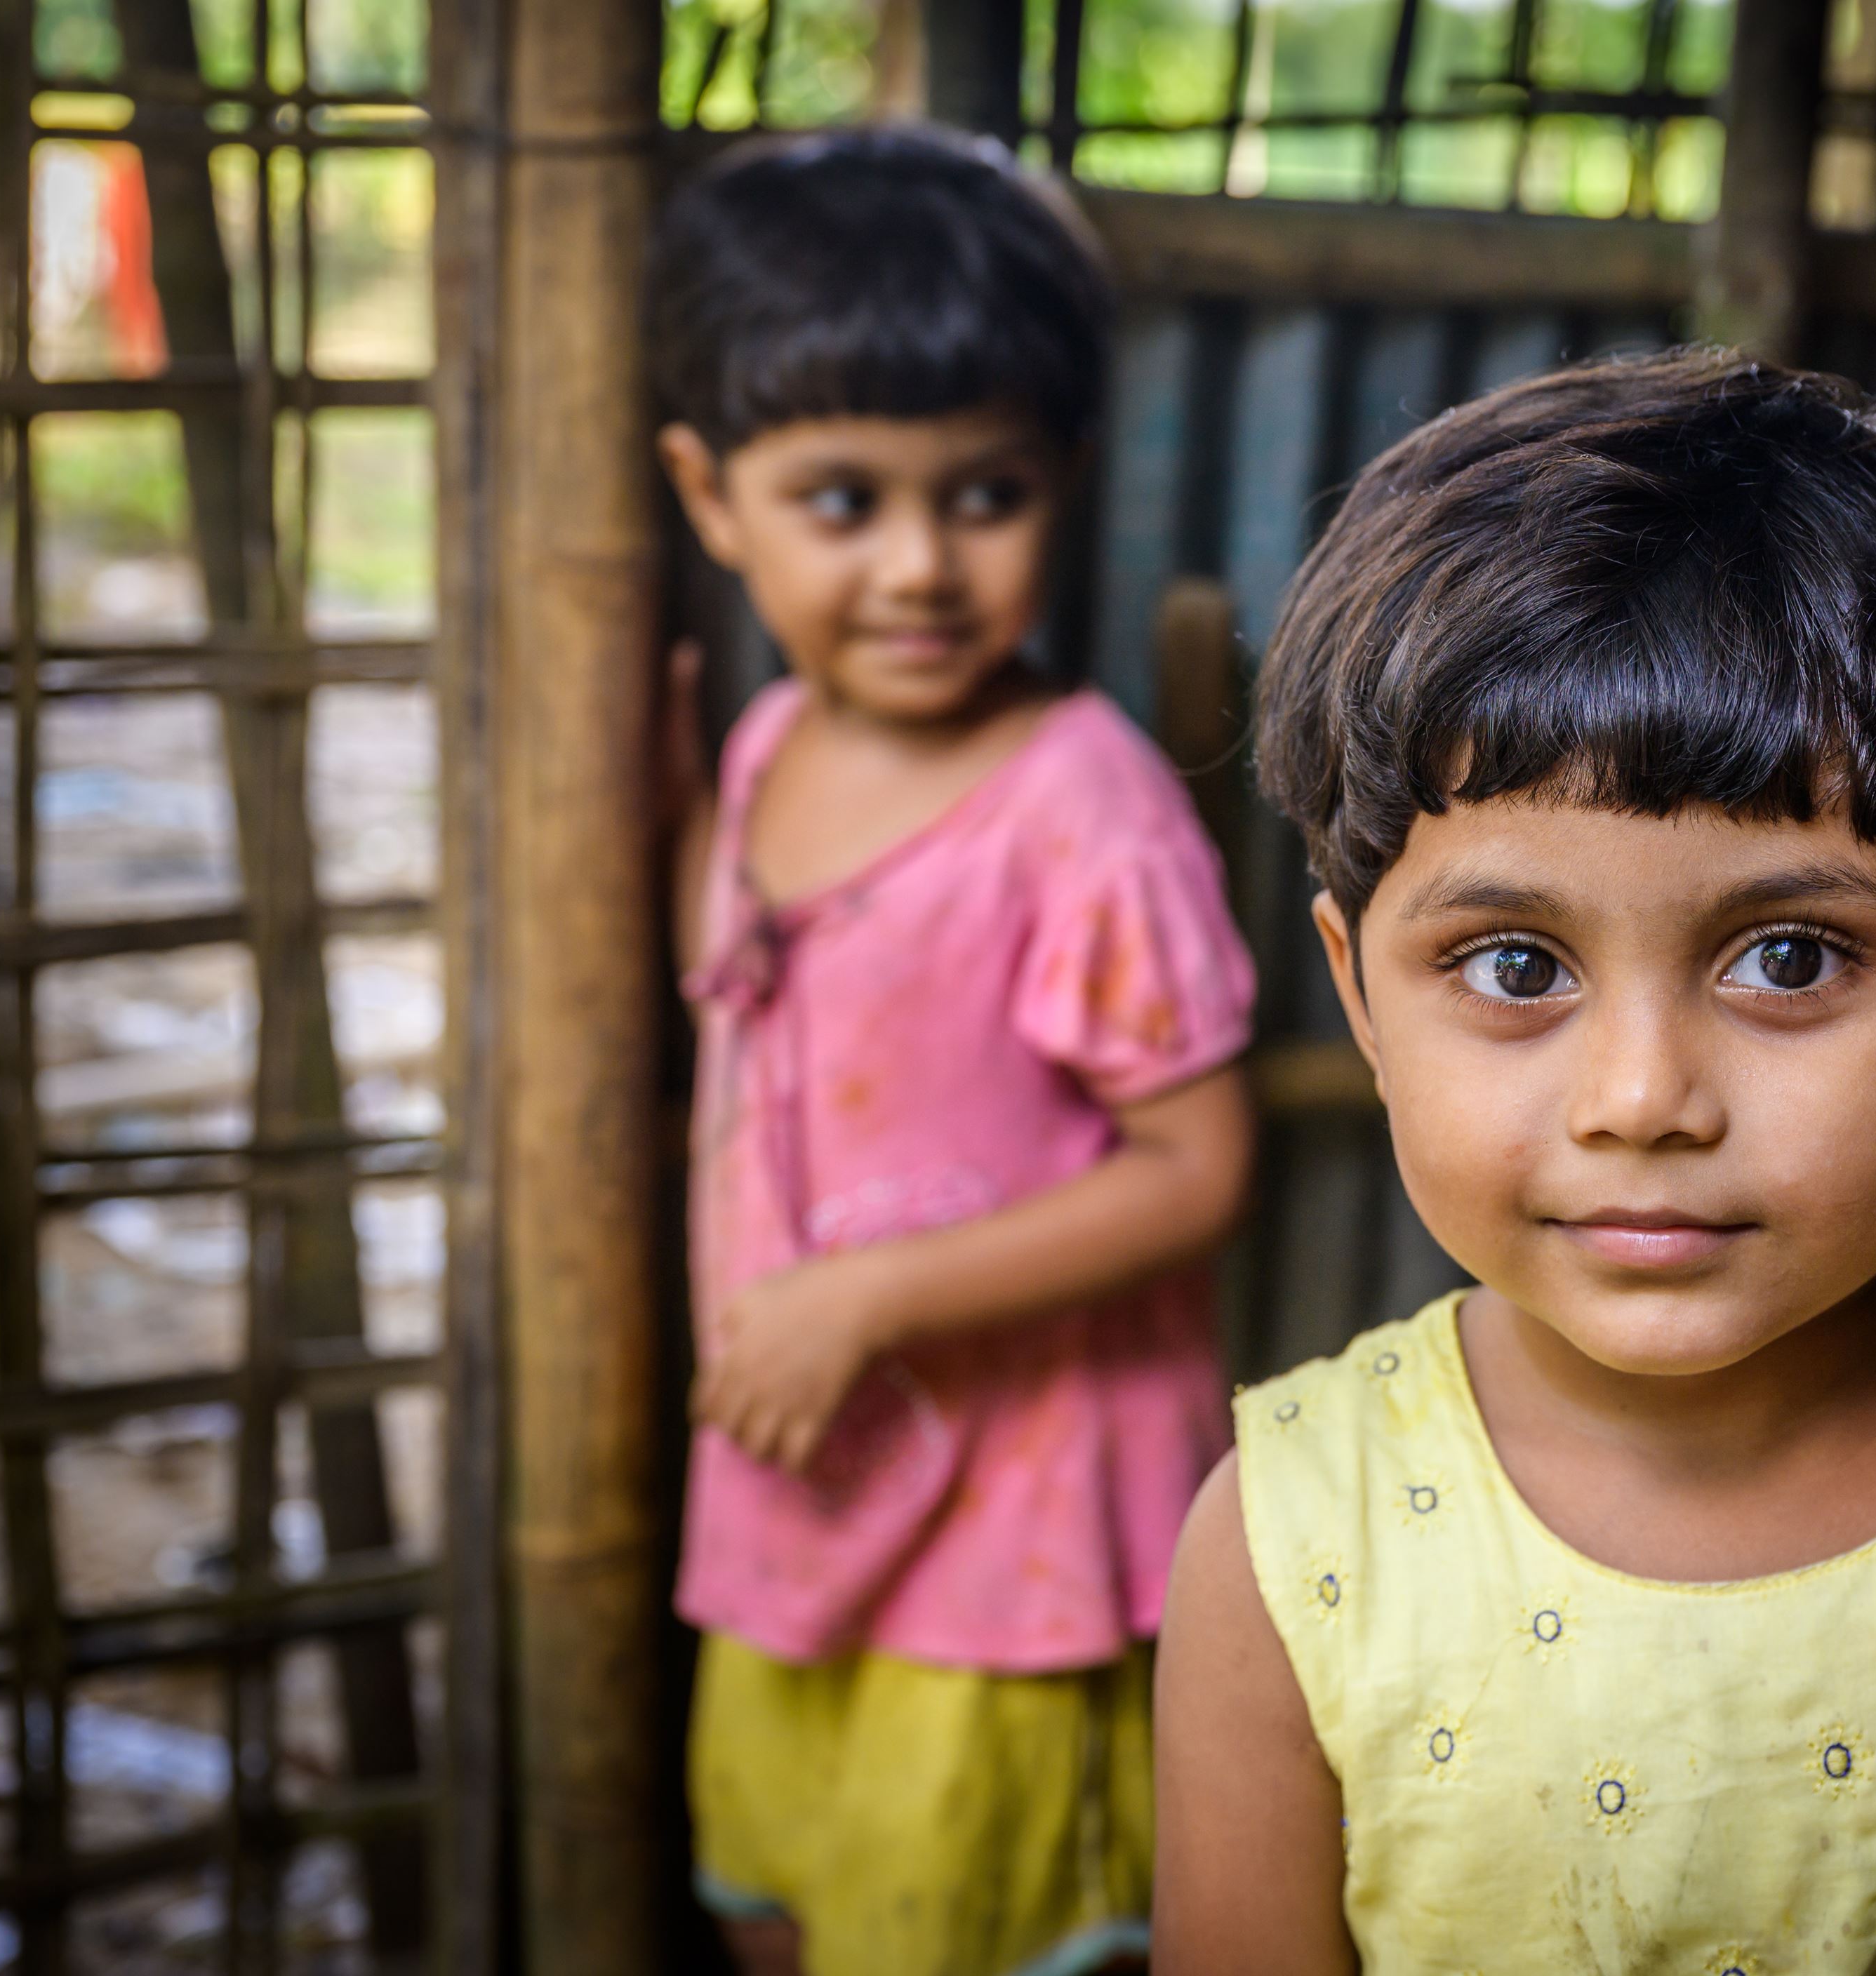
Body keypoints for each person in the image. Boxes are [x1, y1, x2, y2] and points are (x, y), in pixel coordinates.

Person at [1153, 350, 1876, 1973]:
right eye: (1517, 967)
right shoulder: (1294, 1546)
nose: (1642, 1098)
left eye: (1792, 960)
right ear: (1358, 997)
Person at [647, 127, 1256, 1976]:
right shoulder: (761, 751)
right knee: (778, 1899)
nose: (917, 565)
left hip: (1010, 1554)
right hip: (797, 1513)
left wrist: (867, 1302)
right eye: (843, 501)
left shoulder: (1081, 807)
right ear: (710, 496)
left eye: (979, 496)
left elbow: (1195, 1165)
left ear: (1063, 482)